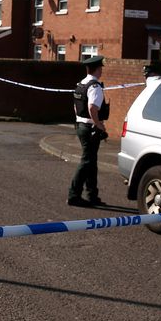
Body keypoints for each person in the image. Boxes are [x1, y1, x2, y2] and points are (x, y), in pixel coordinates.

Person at [68, 55, 110, 207]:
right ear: (98, 69)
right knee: (87, 161)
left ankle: (92, 195)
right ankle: (73, 195)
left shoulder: (81, 84)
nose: (101, 71)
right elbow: (92, 107)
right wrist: (99, 124)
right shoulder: (95, 86)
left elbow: (76, 106)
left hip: (81, 125)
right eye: (100, 69)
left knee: (91, 162)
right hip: (90, 127)